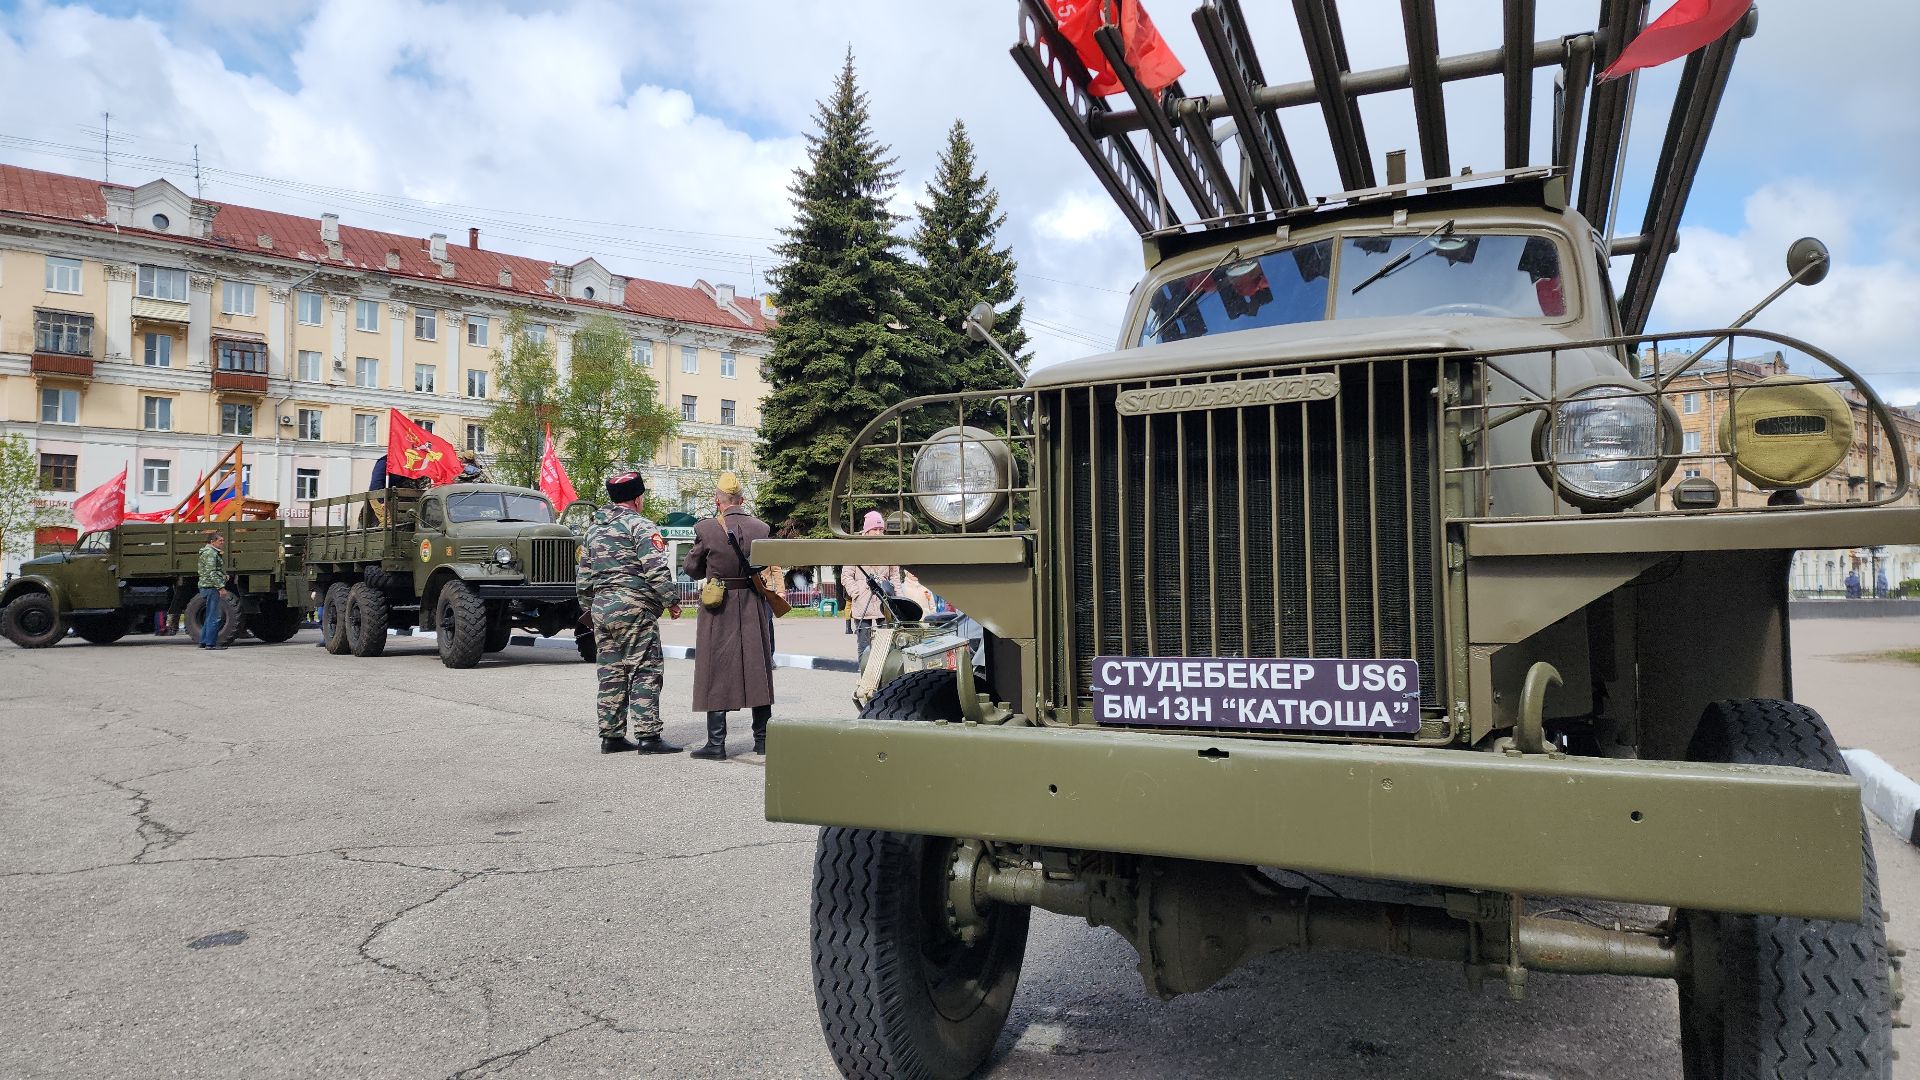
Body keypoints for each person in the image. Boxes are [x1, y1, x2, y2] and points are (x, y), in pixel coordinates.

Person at [577, 470, 683, 755]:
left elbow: (584, 577)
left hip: (601, 609)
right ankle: (648, 736)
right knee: (644, 668)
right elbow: (655, 568)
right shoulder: (641, 526)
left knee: (610, 672)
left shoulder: (593, 530)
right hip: (633, 607)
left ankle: (611, 737)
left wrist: (589, 606)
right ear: (638, 498)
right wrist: (671, 600)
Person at [683, 471, 775, 759]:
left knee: (716, 668)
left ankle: (716, 744)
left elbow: (692, 569)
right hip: (752, 603)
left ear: (717, 501)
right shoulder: (762, 528)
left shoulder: (707, 528)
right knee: (758, 668)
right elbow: (766, 563)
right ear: (742, 500)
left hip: (718, 605)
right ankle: (762, 740)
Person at [840, 511, 902, 658]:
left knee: (886, 644)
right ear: (867, 530)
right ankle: (864, 672)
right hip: (862, 601)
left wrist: (899, 598)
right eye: (875, 529)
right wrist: (856, 592)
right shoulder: (855, 549)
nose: (878, 532)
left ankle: (883, 672)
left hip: (884, 600)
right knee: (864, 646)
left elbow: (895, 576)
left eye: (881, 529)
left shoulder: (888, 549)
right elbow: (846, 575)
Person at [196, 532, 227, 650]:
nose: (222, 542)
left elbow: (212, 571)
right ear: (212, 542)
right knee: (214, 616)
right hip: (211, 587)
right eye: (220, 540)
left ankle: (204, 641)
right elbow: (211, 572)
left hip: (207, 586)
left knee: (209, 615)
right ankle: (210, 643)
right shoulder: (211, 553)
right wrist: (221, 587)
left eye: (222, 540)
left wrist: (223, 576)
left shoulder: (208, 552)